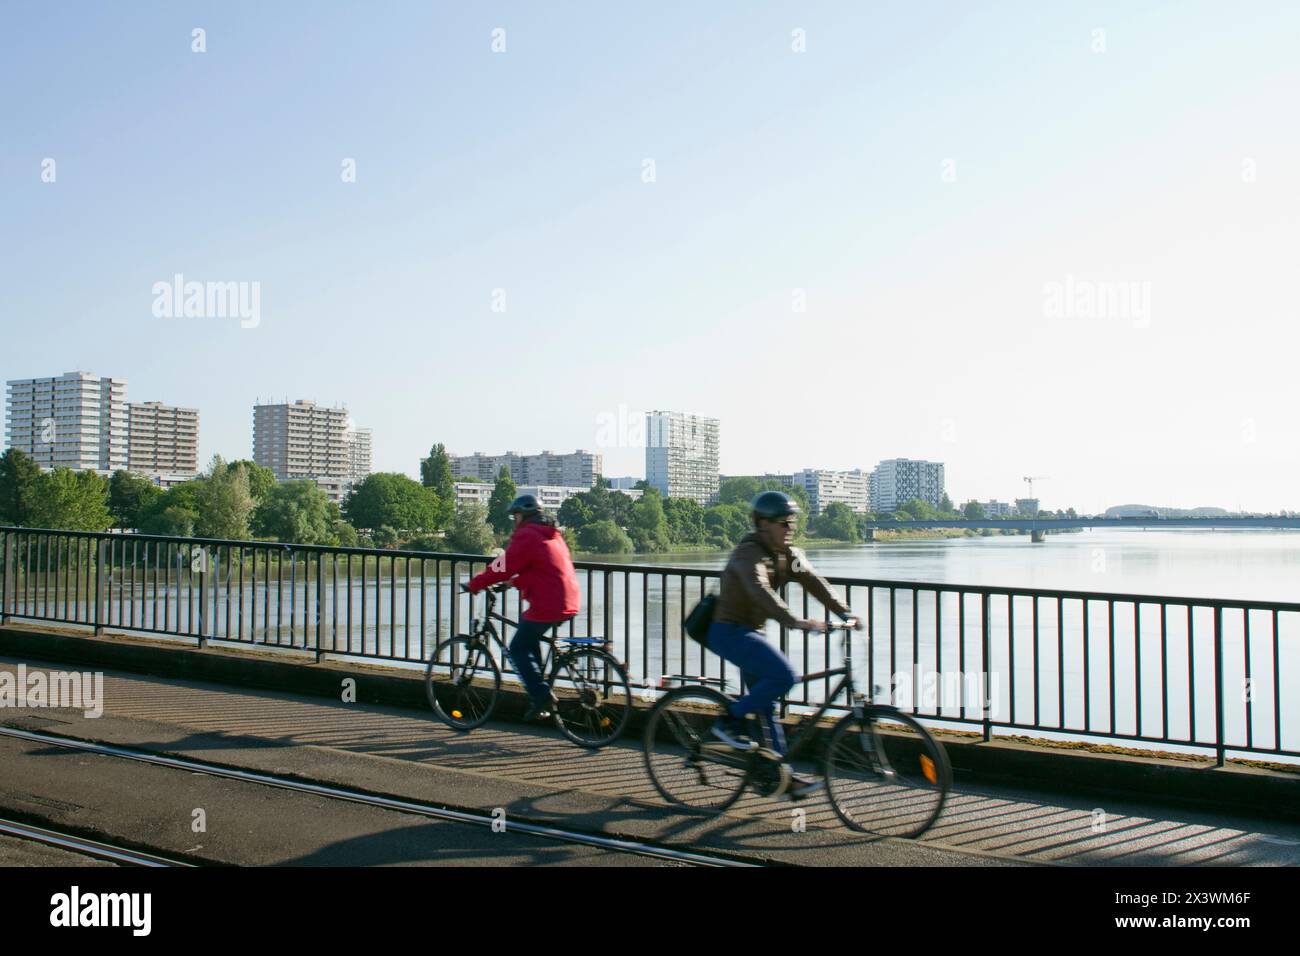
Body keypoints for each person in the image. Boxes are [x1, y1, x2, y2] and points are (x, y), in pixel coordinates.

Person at [707, 490, 863, 796]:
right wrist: (795, 621)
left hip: (752, 633)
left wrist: (846, 612)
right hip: (729, 631)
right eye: (783, 522)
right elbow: (759, 590)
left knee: (767, 707)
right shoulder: (748, 553)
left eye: (791, 522)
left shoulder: (788, 556)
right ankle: (728, 722)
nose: (789, 528)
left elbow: (816, 583)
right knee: (785, 676)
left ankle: (779, 775)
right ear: (763, 524)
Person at [465, 494, 581, 720]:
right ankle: (541, 694)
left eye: (515, 516)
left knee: (517, 648)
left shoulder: (528, 535)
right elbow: (541, 568)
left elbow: (504, 564)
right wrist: (514, 582)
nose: (514, 520)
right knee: (529, 637)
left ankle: (541, 696)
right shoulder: (551, 534)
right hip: (566, 597)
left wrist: (476, 583)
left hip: (549, 602)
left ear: (522, 516)